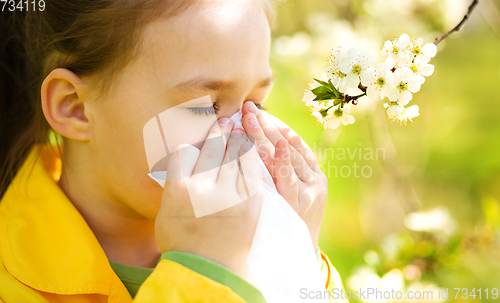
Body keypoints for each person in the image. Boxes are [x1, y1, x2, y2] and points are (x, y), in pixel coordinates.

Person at [0, 0, 347, 302]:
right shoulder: (10, 282)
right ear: (75, 108)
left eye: (255, 104)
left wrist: (296, 255)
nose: (243, 137)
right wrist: (203, 275)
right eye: (209, 107)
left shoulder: (259, 239)